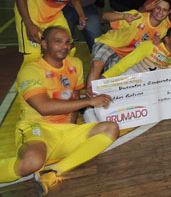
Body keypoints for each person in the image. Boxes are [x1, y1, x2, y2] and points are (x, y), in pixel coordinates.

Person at [0, 26, 119, 193]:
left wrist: (71, 124)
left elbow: (75, 95)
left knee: (110, 128)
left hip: (64, 131)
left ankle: (53, 171)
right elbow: (44, 107)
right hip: (36, 127)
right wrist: (89, 101)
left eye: (67, 42)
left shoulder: (75, 64)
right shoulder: (30, 71)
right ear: (44, 44)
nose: (64, 46)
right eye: (57, 41)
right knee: (31, 163)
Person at [87, 0, 171, 90]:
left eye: (164, 10)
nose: (160, 12)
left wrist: (159, 41)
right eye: (158, 8)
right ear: (152, 8)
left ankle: (98, 96)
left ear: (169, 12)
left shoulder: (164, 30)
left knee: (111, 80)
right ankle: (90, 99)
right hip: (110, 44)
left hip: (126, 57)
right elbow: (105, 16)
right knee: (97, 65)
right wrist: (123, 16)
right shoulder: (137, 16)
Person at [103, 26, 171, 78]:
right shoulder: (150, 46)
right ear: (167, 39)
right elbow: (124, 64)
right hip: (131, 77)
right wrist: (105, 77)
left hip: (150, 87)